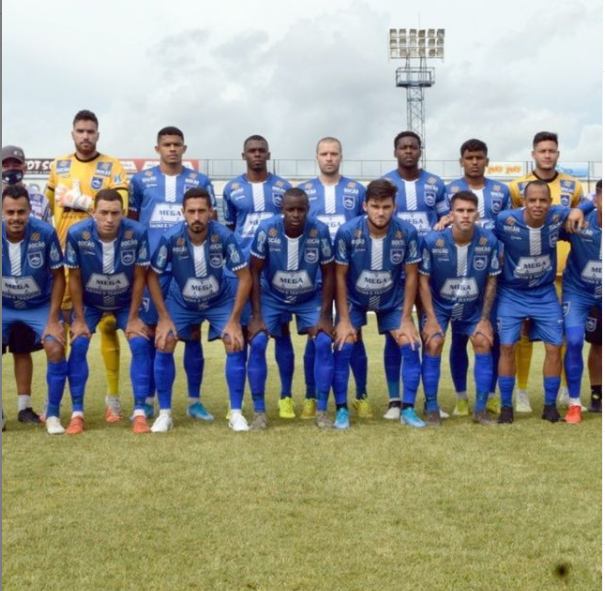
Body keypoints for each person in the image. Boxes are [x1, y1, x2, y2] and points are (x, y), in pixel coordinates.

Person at [45, 110, 129, 422]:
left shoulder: (112, 166)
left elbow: (117, 204)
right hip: (64, 258)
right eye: (80, 131)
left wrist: (78, 200)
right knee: (63, 329)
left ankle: (113, 397)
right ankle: (58, 402)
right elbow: (51, 203)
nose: (85, 136)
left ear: (98, 134)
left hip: (99, 258)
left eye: (91, 131)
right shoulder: (58, 166)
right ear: (72, 134)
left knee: (107, 324)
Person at [128, 126, 217, 421]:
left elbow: (211, 222)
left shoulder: (199, 181)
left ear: (184, 148)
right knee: (153, 334)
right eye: (166, 144)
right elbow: (132, 222)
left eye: (177, 144)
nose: (172, 149)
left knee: (192, 335)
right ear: (157, 149)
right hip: (153, 268)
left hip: (187, 270)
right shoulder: (140, 181)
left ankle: (194, 401)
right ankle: (149, 401)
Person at [148, 188, 251, 432]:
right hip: (181, 301)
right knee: (164, 341)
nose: (196, 217)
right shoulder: (171, 237)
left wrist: (235, 319)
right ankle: (164, 414)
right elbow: (152, 276)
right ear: (183, 212)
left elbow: (245, 277)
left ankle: (236, 413)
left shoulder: (224, 236)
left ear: (210, 212)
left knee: (234, 341)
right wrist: (163, 317)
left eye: (201, 211)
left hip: (218, 300)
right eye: (191, 211)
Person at [493, 180, 589, 424]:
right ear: (523, 201)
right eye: (532, 200)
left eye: (543, 200)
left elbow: (589, 204)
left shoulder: (558, 216)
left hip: (544, 293)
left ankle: (549, 406)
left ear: (551, 203)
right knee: (506, 347)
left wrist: (580, 209)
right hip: (511, 292)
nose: (537, 205)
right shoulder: (505, 219)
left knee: (555, 346)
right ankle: (506, 406)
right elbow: (484, 237)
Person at [60, 189, 152, 434]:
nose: (109, 219)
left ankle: (140, 412)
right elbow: (75, 278)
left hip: (124, 303)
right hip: (90, 303)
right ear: (93, 212)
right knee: (78, 344)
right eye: (104, 213)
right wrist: (79, 319)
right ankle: (77, 413)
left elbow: (141, 276)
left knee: (141, 344)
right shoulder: (77, 234)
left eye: (115, 213)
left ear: (122, 213)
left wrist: (132, 318)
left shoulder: (138, 232)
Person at [333, 179, 423, 429]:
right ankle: (341, 410)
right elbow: (339, 276)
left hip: (391, 300)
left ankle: (408, 409)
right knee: (343, 343)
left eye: (386, 206)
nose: (381, 212)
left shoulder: (407, 233)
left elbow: (412, 275)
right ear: (365, 206)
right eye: (375, 206)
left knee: (411, 343)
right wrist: (343, 320)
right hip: (355, 299)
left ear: (395, 206)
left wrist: (406, 318)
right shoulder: (347, 232)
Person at [508, 132, 584, 412]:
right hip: (527, 274)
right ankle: (522, 391)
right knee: (523, 333)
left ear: (558, 154)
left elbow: (581, 213)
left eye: (552, 150)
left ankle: (566, 389)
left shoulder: (572, 185)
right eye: (542, 150)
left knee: (561, 333)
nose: (547, 155)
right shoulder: (517, 187)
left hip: (565, 272)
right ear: (533, 154)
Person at [247, 188, 335, 430]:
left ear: (308, 209)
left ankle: (322, 410)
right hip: (272, 297)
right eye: (290, 209)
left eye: (301, 209)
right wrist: (255, 316)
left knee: (324, 342)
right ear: (282, 210)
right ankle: (259, 412)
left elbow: (329, 273)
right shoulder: (267, 230)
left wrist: (326, 316)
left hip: (308, 297)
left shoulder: (320, 231)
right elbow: (253, 270)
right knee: (257, 343)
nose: (296, 214)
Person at [222, 135, 296, 418]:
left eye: (261, 151)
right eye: (251, 151)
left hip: (275, 269)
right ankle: (238, 405)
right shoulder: (232, 188)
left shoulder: (282, 187)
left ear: (268, 154)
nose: (256, 155)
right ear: (244, 155)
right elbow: (230, 228)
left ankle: (286, 396)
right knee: (243, 331)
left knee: (282, 332)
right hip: (242, 270)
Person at [297, 137, 369, 419]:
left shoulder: (356, 190)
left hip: (348, 275)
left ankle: (361, 395)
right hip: (314, 275)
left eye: (334, 153)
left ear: (341, 156)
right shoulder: (303, 191)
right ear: (316, 157)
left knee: (354, 334)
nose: (329, 158)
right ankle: (311, 396)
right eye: (324, 154)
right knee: (316, 336)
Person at [381, 131, 449, 419]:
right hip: (397, 269)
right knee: (395, 334)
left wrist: (441, 226)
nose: (408, 151)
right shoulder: (385, 183)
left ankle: (430, 400)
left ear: (420, 150)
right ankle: (396, 400)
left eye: (413, 147)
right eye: (403, 147)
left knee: (431, 332)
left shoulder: (435, 183)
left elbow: (446, 219)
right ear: (395, 151)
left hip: (429, 267)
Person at [418, 191, 500, 426]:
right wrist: (431, 318)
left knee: (483, 341)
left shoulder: (489, 241)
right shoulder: (433, 241)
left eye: (470, 211)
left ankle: (481, 409)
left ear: (478, 213)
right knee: (434, 341)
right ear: (451, 214)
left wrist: (485, 319)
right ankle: (432, 407)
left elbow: (492, 280)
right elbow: (423, 280)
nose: (465, 215)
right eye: (460, 210)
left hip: (472, 306)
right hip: (440, 306)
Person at [444, 139, 510, 417]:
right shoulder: (450, 191)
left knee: (488, 335)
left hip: (492, 274)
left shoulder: (500, 191)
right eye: (469, 157)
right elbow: (444, 224)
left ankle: (491, 395)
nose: (474, 161)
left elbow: (507, 226)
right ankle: (461, 397)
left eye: (479, 157)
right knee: (459, 340)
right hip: (459, 275)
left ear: (487, 160)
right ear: (461, 161)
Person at [1, 184, 67, 434]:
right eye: (10, 212)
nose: (16, 218)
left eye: (21, 212)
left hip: (38, 305)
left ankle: (52, 414)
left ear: (30, 211)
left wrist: (52, 319)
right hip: (4, 305)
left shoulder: (46, 233)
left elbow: (58, 276)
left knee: (55, 345)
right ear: (2, 211)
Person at [1, 145, 53, 424]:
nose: (11, 169)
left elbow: (44, 239)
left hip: (31, 285)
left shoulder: (39, 199)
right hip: (3, 290)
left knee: (22, 349)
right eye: (6, 164)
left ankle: (24, 407)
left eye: (15, 164)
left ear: (24, 167)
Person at [559, 180, 601, 422]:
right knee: (574, 340)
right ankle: (574, 403)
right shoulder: (579, 223)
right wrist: (581, 208)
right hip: (579, 292)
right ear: (596, 200)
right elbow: (550, 218)